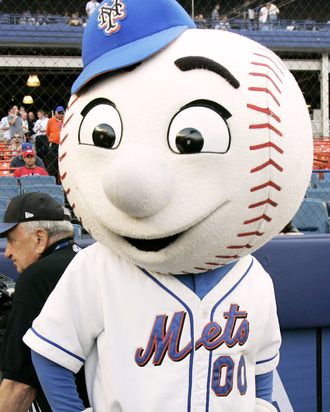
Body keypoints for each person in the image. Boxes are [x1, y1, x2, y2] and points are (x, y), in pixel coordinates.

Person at [0, 192, 89, 411]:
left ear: (40, 239)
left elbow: (19, 388)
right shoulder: (89, 261)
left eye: (12, 240)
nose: (8, 253)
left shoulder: (37, 277)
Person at [46, 106, 64, 179]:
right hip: (53, 144)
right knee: (52, 162)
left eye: (62, 113)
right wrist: (52, 139)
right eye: (59, 113)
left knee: (62, 162)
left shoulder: (65, 120)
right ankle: (52, 179)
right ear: (55, 113)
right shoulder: (51, 120)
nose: (61, 114)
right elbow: (47, 133)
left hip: (63, 145)